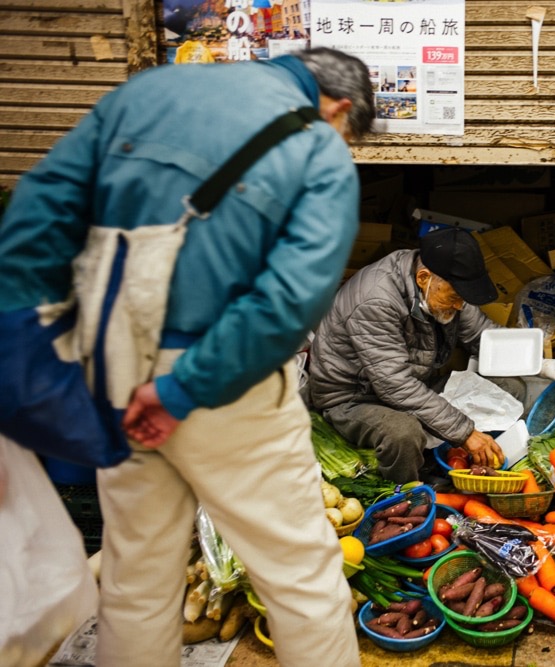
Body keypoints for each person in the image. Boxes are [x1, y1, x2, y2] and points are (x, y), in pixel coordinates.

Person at [0, 48, 375, 667]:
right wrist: (180, 391)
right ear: (337, 108)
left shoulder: (146, 93)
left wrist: (27, 350)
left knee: (135, 569)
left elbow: (41, 209)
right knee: (298, 570)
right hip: (222, 383)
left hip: (112, 369)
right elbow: (286, 304)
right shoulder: (316, 145)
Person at [307, 227, 518, 483]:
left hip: (414, 383)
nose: (460, 306)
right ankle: (407, 499)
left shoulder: (443, 286)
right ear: (423, 277)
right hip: (354, 397)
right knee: (403, 433)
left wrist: (537, 364)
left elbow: (481, 335)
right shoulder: (376, 300)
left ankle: (472, 464)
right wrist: (465, 432)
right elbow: (394, 385)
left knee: (510, 387)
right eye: (454, 298)